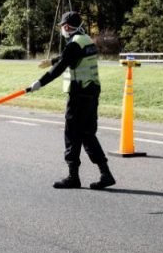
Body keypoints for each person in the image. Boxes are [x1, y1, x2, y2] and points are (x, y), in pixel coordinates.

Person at [26, 11, 115, 190]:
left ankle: (73, 177)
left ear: (66, 27)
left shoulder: (74, 44)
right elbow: (69, 58)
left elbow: (61, 67)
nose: (61, 29)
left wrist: (39, 83)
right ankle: (105, 174)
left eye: (62, 26)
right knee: (88, 134)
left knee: (72, 135)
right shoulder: (86, 40)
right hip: (92, 91)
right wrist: (51, 61)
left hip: (79, 95)